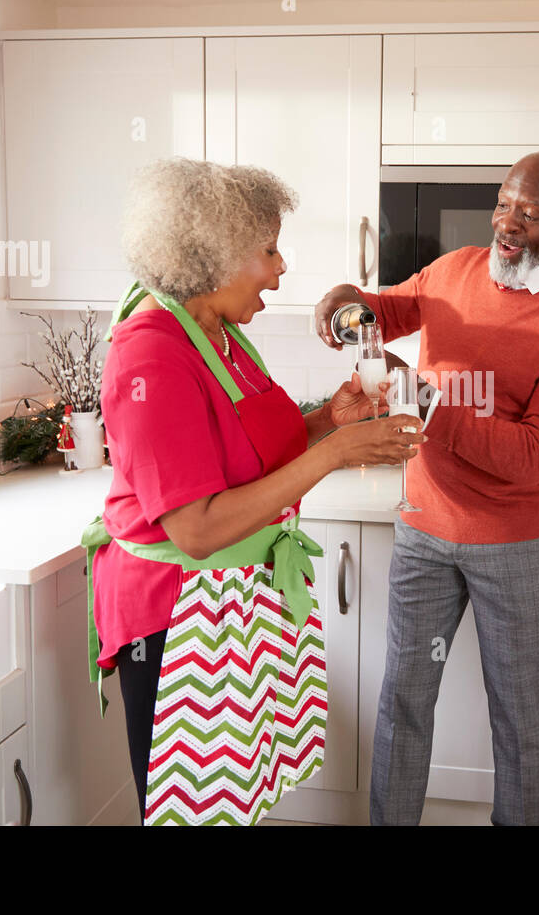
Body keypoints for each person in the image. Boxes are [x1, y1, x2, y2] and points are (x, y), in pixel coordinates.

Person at [85, 158, 424, 826]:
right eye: (267, 250)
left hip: (228, 607)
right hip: (176, 620)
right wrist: (335, 453)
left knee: (231, 805)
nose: (280, 268)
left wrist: (330, 419)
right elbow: (197, 527)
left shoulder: (221, 334)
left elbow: (244, 456)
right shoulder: (151, 352)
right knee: (192, 811)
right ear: (212, 256)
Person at [314, 149, 539, 825]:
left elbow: (533, 456)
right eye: (504, 204)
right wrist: (349, 304)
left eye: (530, 215)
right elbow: (384, 314)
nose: (507, 225)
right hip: (424, 524)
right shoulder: (455, 270)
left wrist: (421, 398)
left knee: (518, 719)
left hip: (513, 544)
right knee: (404, 700)